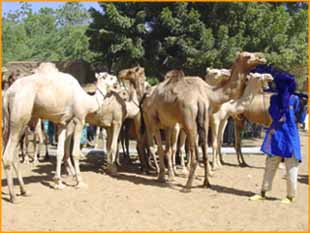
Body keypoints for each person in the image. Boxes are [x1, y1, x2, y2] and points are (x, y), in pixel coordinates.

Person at [249, 67, 302, 204]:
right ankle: (263, 192)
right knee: (270, 163)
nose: (282, 86)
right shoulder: (274, 99)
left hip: (290, 136)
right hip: (276, 134)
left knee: (291, 165)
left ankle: (291, 196)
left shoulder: (295, 99)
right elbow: (273, 114)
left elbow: (297, 116)